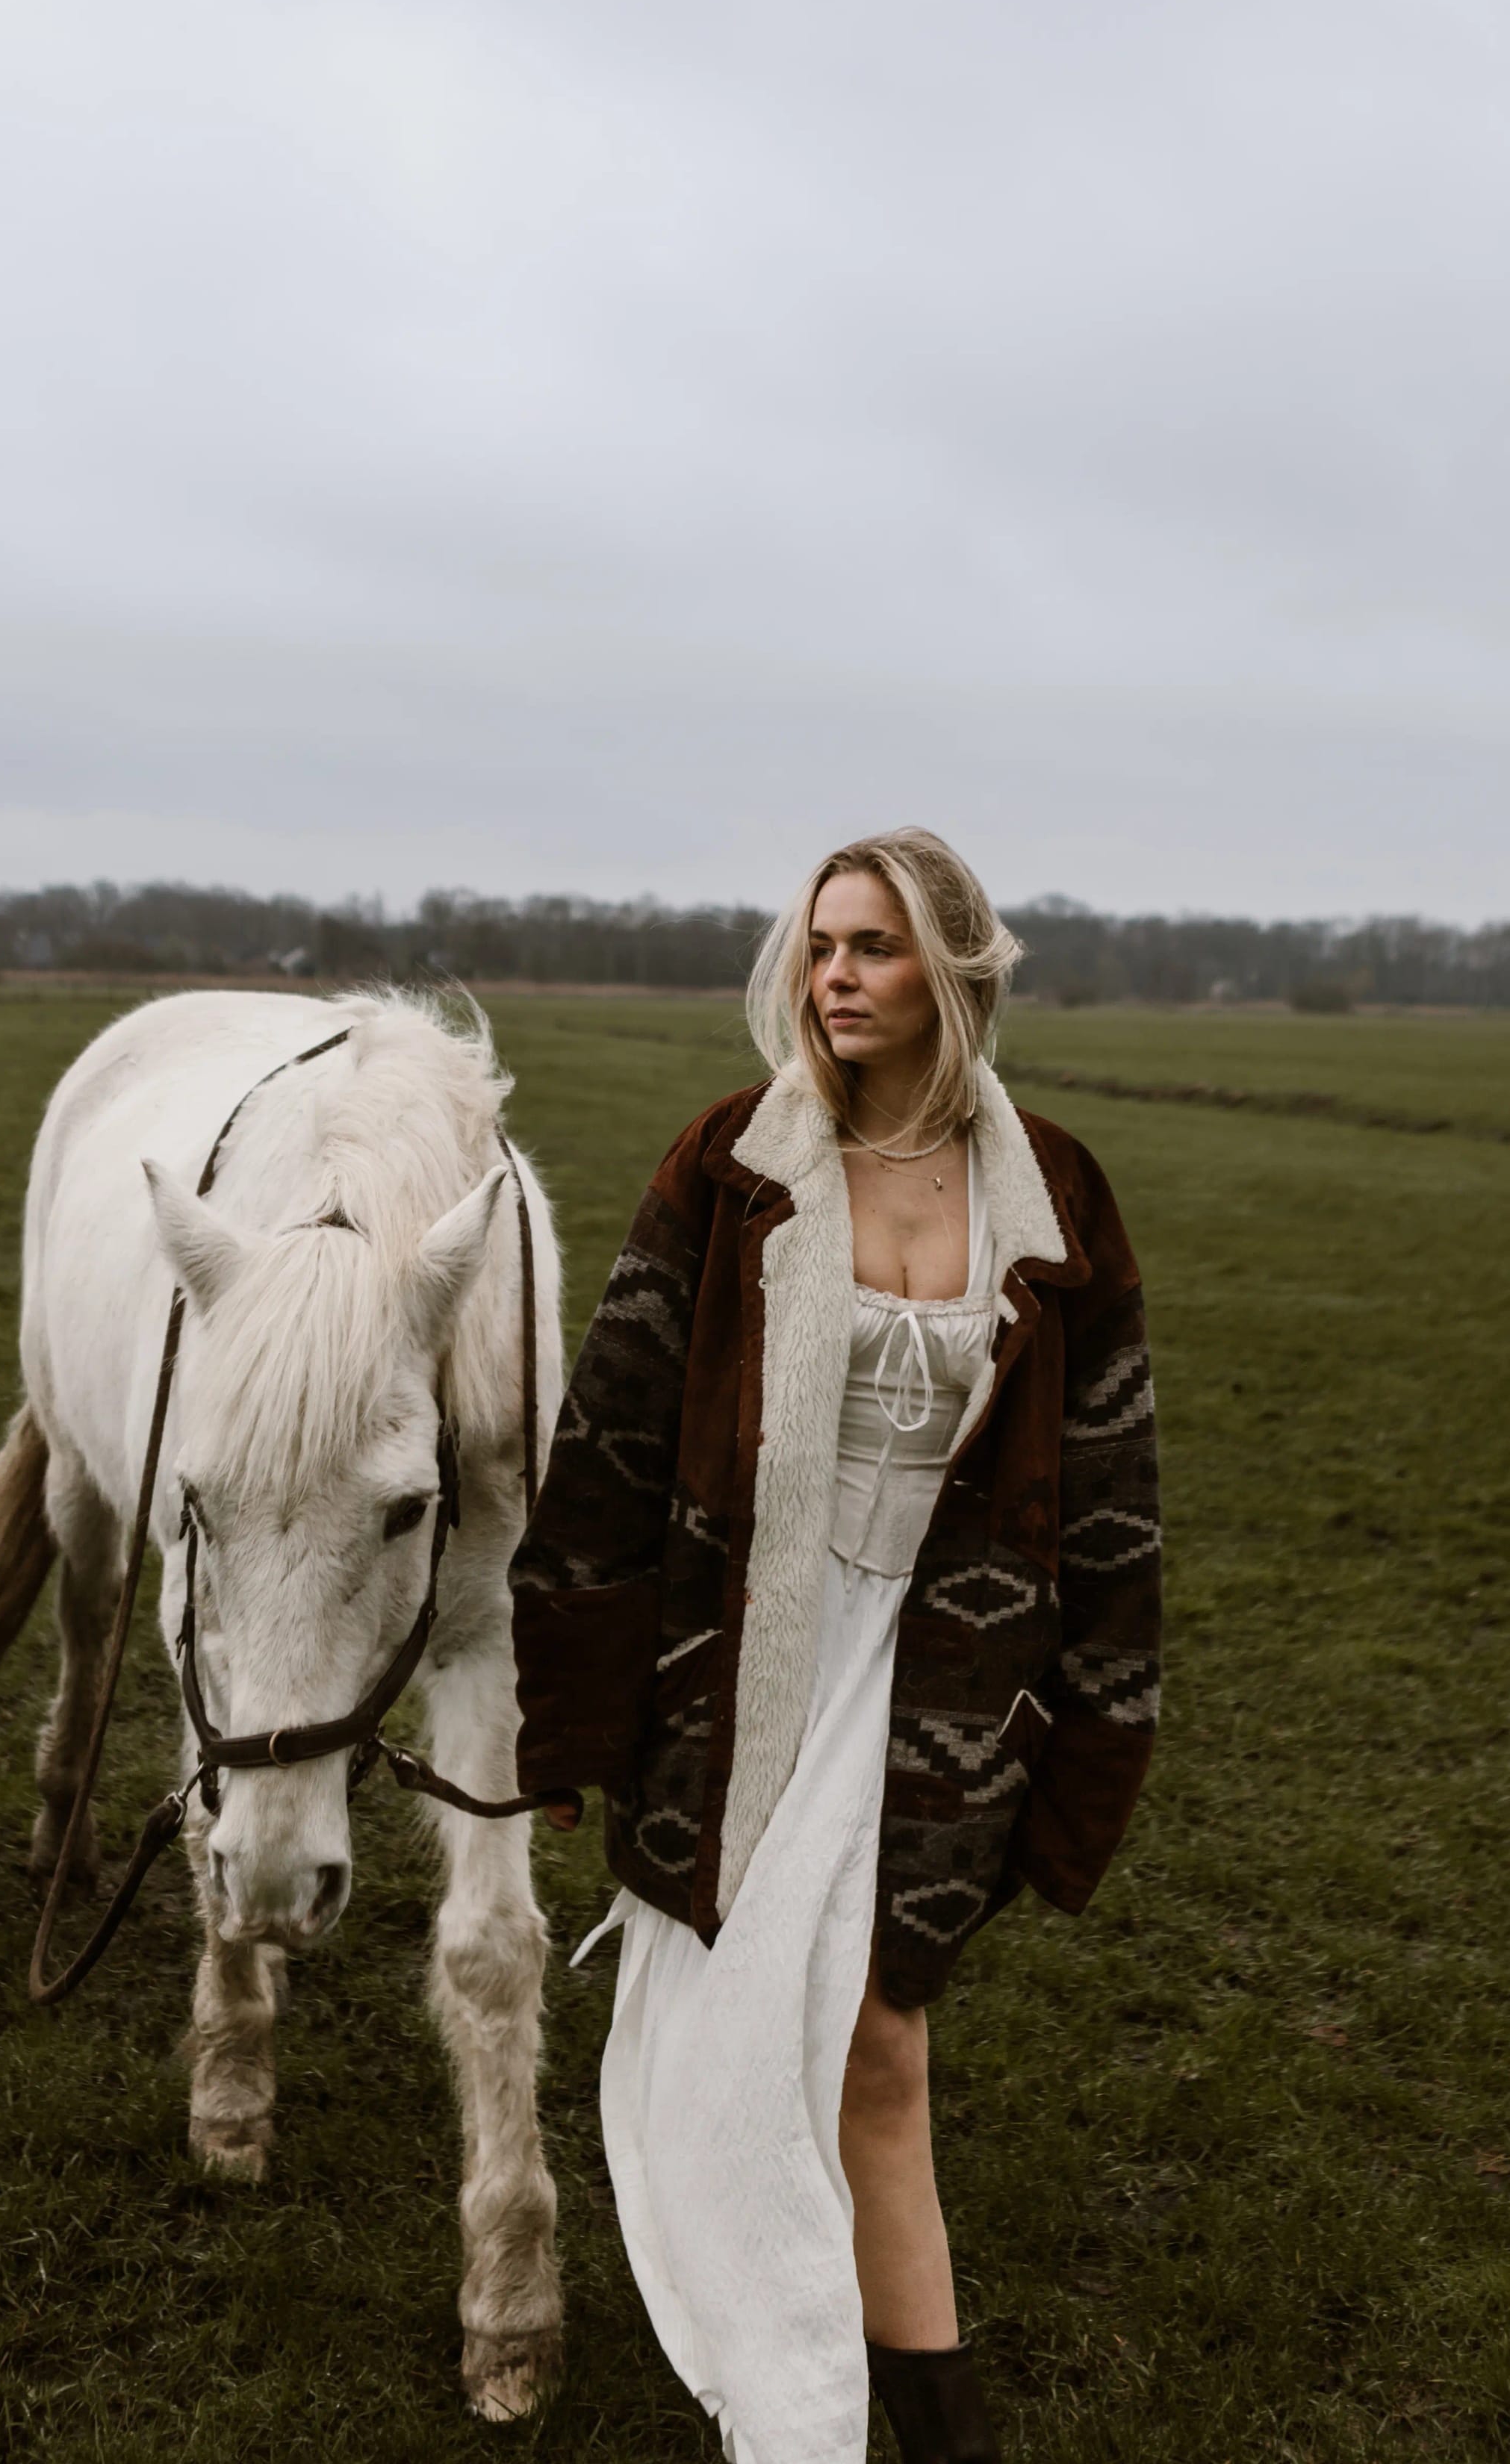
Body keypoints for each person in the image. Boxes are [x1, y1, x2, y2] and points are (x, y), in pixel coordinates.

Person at [510, 829, 1161, 2464]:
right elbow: (605, 1448)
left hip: (943, 1687)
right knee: (738, 2047)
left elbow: (1109, 1505)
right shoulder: (727, 1169)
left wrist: (1092, 1741)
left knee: (878, 2037)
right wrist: (573, 1722)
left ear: (949, 969)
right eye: (817, 948)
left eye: (870, 949)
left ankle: (855, 2422)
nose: (833, 980)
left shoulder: (1056, 1193)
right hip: (736, 1675)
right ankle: (812, 2409)